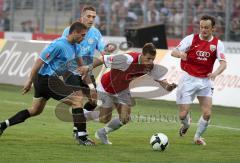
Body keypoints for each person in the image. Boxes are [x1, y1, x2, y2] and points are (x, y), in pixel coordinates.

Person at [0, 22, 95, 146]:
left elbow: (81, 66)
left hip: (49, 80)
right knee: (77, 100)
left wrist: (90, 84)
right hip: (46, 79)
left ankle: (3, 125)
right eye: (82, 35)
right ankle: (82, 137)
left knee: (35, 110)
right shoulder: (58, 45)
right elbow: (39, 61)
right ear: (74, 33)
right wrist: (29, 80)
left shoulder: (76, 47)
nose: (84, 38)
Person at [79, 43, 177, 145]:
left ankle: (102, 133)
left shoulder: (150, 66)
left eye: (153, 59)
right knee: (104, 119)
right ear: (142, 55)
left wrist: (168, 87)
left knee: (125, 118)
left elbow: (161, 80)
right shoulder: (127, 59)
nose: (150, 62)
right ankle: (80, 114)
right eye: (148, 59)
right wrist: (88, 67)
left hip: (122, 90)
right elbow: (103, 59)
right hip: (107, 86)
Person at [171, 15, 227, 145]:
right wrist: (181, 54)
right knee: (182, 115)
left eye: (206, 27)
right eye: (201, 27)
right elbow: (174, 52)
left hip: (205, 81)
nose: (203, 30)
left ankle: (197, 137)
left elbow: (223, 64)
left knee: (207, 113)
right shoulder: (190, 39)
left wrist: (215, 73)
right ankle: (186, 125)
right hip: (188, 79)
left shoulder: (217, 44)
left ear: (213, 28)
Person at [61, 5, 115, 140]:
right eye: (88, 16)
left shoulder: (96, 33)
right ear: (82, 17)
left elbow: (104, 50)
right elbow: (63, 48)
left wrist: (108, 48)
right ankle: (81, 134)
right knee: (77, 98)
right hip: (70, 71)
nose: (91, 19)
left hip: (86, 71)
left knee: (93, 101)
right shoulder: (69, 30)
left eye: (93, 17)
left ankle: (77, 124)